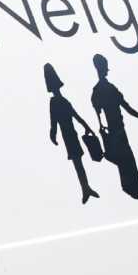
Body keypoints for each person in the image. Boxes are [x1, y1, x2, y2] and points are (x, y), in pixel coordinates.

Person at [91, 53, 138, 199]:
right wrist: (104, 130)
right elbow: (98, 112)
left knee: (128, 158)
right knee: (123, 159)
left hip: (119, 128)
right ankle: (129, 187)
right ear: (100, 68)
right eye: (105, 66)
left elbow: (126, 107)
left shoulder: (110, 88)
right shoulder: (99, 90)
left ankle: (136, 185)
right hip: (112, 130)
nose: (107, 69)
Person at [44, 62, 101, 204]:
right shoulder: (58, 102)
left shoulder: (61, 101)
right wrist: (53, 134)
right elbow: (54, 121)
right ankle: (85, 188)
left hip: (72, 135)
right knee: (78, 162)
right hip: (69, 137)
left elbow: (75, 116)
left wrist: (87, 127)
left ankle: (85, 188)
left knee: (78, 162)